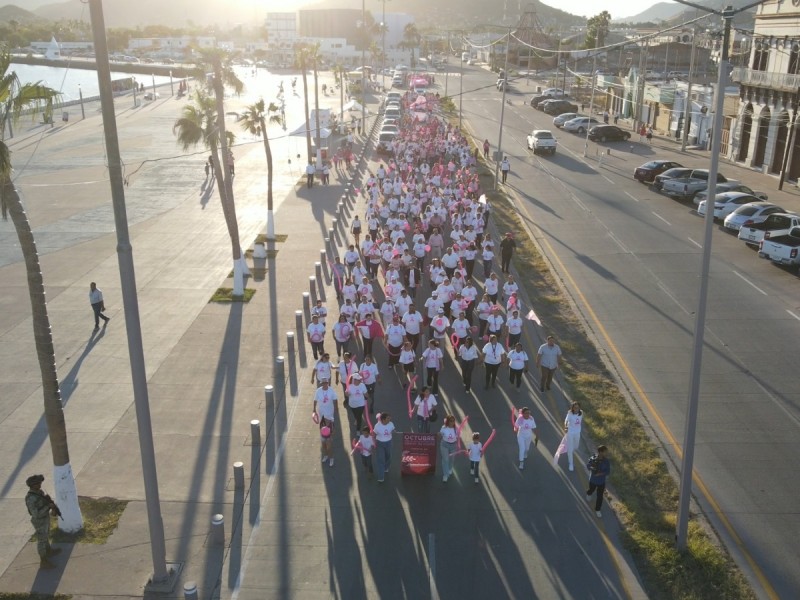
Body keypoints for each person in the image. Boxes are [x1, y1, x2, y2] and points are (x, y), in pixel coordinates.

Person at [25, 474, 62, 569]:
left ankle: (48, 551)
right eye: (38, 483)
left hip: (45, 518)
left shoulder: (39, 492)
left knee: (46, 536)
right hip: (39, 521)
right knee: (41, 540)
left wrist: (50, 505)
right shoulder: (31, 498)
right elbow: (36, 514)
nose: (40, 484)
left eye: (40, 482)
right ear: (32, 485)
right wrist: (48, 507)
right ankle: (43, 561)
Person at [313, 379, 338, 467]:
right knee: (323, 444)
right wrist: (314, 410)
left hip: (329, 415)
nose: (324, 384)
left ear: (328, 383)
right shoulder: (318, 391)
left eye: (325, 383)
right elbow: (315, 400)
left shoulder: (331, 391)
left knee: (329, 444)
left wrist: (336, 409)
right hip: (321, 416)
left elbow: (335, 400)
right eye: (323, 383)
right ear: (321, 383)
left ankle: (331, 458)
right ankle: (326, 456)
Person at [587, 445, 611, 517]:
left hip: (601, 482)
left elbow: (608, 472)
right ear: (600, 452)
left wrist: (600, 473)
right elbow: (588, 466)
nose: (606, 453)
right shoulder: (593, 458)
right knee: (591, 490)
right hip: (593, 480)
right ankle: (588, 494)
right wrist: (592, 468)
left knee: (600, 496)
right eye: (605, 452)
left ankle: (598, 510)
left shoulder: (606, 461)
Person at [373, 412, 396, 483]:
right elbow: (374, 434)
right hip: (380, 444)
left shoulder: (391, 424)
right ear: (383, 419)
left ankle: (386, 468)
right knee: (381, 459)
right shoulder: (377, 426)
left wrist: (394, 431)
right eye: (388, 418)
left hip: (388, 443)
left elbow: (393, 429)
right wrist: (373, 443)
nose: (389, 420)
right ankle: (381, 477)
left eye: (390, 418)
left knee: (388, 457)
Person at [438, 415, 458, 482]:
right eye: (451, 421)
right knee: (445, 459)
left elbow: (458, 437)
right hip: (444, 445)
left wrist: (458, 444)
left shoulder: (456, 428)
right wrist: (439, 435)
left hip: (453, 445)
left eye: (453, 421)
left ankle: (450, 468)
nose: (452, 422)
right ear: (448, 421)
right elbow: (440, 435)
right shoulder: (444, 428)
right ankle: (445, 475)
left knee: (452, 459)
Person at [564, 402, 583, 472]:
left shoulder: (581, 413)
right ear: (572, 408)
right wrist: (566, 427)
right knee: (570, 448)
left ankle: (570, 452)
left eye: (578, 407)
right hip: (570, 433)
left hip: (577, 433)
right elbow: (566, 420)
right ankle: (571, 463)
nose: (576, 409)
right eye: (575, 408)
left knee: (576, 447)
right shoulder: (570, 414)